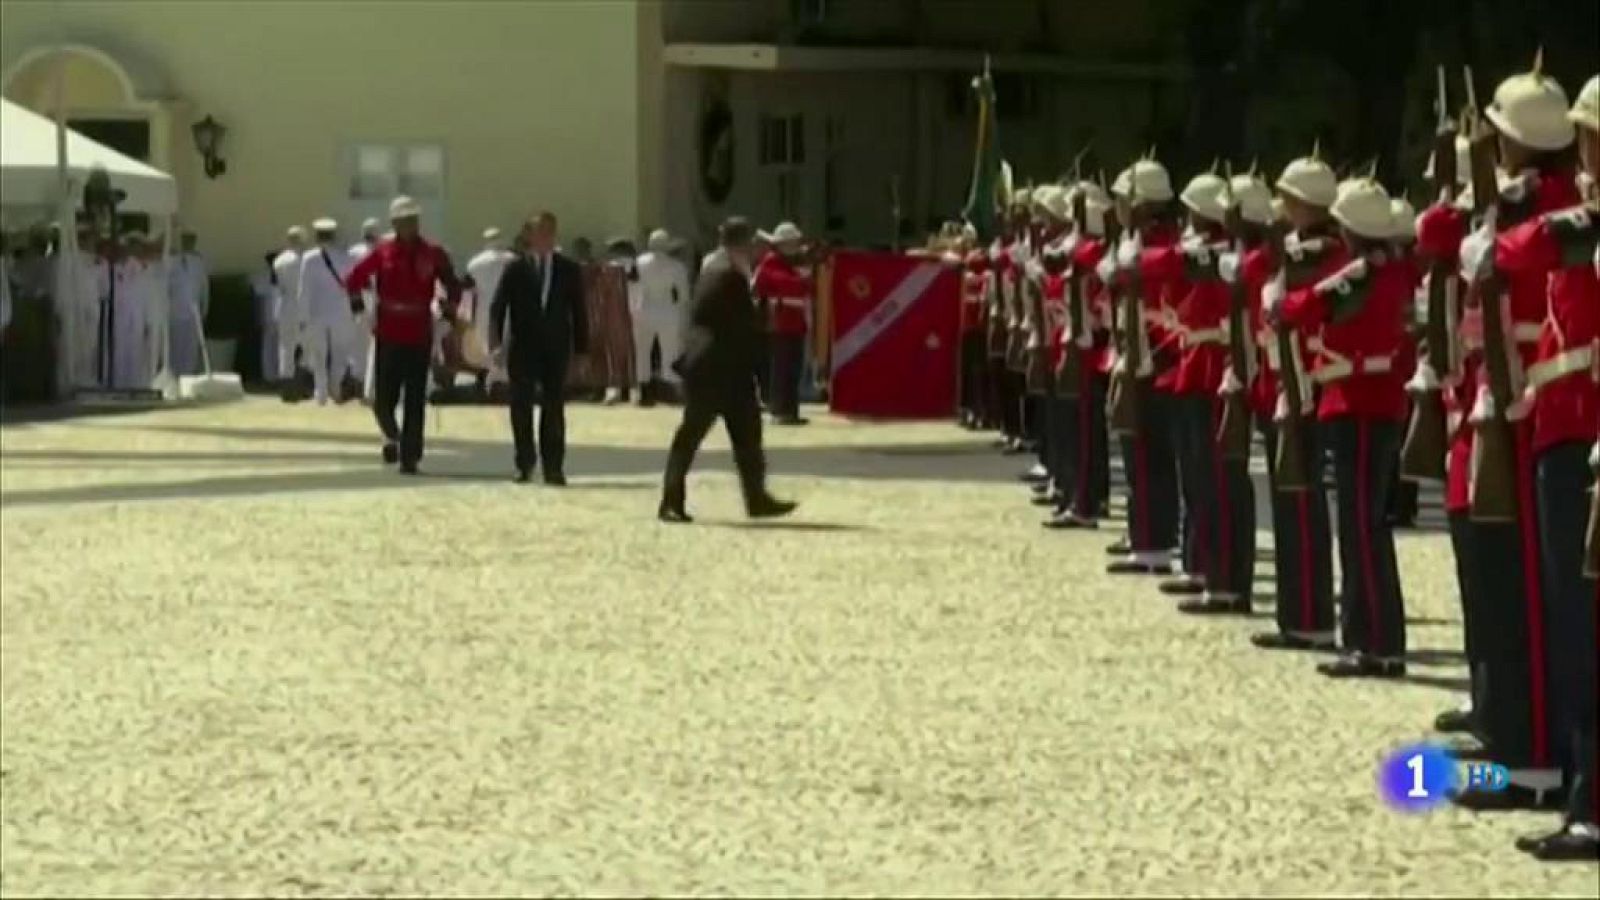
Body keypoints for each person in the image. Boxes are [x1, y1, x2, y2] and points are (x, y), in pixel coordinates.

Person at [1470, 71, 1598, 859]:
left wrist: (1502, 237)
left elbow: (1539, 245)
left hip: (1582, 428)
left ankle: (1590, 801)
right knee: (1570, 626)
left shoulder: (1576, 215)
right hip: (1560, 423)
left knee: (1584, 630)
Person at [1273, 176, 1411, 679]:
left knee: (1360, 529)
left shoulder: (1361, 272)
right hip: (1376, 402)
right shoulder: (1393, 269)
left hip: (1357, 403)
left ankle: (1371, 642)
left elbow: (1304, 306)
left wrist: (1279, 302)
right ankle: (1379, 639)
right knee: (1368, 527)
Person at [1246, 149, 1340, 652]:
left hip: (1307, 387)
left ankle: (1311, 615)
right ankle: (1296, 612)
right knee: (1289, 504)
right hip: (1287, 385)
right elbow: (1246, 273)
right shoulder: (1293, 247)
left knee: (1302, 505)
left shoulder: (1321, 253)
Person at [660, 217, 798, 523]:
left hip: (727, 369)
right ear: (742, 244)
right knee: (691, 436)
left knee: (747, 435)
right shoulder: (727, 276)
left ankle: (757, 497)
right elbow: (741, 326)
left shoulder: (720, 270)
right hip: (715, 368)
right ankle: (671, 500)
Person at [1102, 159, 1182, 576]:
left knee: (1149, 451)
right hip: (1135, 350)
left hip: (1152, 354)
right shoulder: (1136, 239)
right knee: (1137, 451)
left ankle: (1155, 541)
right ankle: (1145, 533)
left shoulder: (1161, 244)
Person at [344, 196, 462, 474]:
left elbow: (453, 284)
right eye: (404, 220)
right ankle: (392, 436)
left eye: (414, 219)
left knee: (415, 398)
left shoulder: (433, 252)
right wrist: (358, 306)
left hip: (419, 332)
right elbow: (353, 279)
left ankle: (411, 455)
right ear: (394, 223)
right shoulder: (382, 252)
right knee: (383, 399)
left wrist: (448, 307)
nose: (410, 225)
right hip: (388, 332)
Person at [489, 211, 588, 485]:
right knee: (521, 405)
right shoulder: (516, 269)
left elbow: (579, 311)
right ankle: (524, 462)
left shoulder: (568, 269)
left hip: (556, 347)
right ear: (529, 236)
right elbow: (497, 308)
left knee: (554, 406)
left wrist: (581, 350)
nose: (545, 237)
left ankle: (554, 466)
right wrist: (496, 343)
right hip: (523, 347)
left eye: (550, 231)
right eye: (540, 231)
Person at [296, 218, 357, 405]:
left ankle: (320, 393)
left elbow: (304, 290)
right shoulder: (346, 257)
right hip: (341, 311)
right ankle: (335, 388)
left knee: (318, 354)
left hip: (317, 312)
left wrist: (302, 316)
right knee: (340, 353)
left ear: (317, 235)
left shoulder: (309, 258)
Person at [635, 228, 690, 406]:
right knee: (670, 352)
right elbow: (683, 296)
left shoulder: (640, 263)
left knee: (642, 353)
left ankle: (644, 392)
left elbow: (635, 289)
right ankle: (671, 392)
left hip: (645, 308)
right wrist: (683, 318)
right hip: (667, 310)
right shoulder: (676, 266)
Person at [465, 227, 514, 395]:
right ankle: (503, 383)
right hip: (507, 309)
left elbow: (468, 288)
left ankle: (489, 384)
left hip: (484, 309)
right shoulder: (513, 261)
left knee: (486, 343)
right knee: (505, 342)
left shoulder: (475, 263)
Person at [348, 217, 382, 400]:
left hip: (362, 301)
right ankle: (366, 386)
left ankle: (361, 383)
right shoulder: (382, 251)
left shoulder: (354, 252)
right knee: (371, 346)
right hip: (371, 300)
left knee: (360, 345)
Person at [167, 231, 209, 377]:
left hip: (193, 311)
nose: (189, 244)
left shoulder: (198, 261)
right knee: (175, 346)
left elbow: (203, 286)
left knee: (191, 347)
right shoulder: (170, 260)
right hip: (174, 310)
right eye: (185, 241)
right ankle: (175, 375)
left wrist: (204, 307)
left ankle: (187, 376)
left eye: (191, 241)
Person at [111, 233, 149, 389]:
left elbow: (145, 295)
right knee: (119, 350)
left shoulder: (142, 268)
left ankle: (135, 385)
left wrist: (147, 319)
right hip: (119, 315)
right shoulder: (113, 268)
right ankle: (119, 385)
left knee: (136, 350)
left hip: (137, 314)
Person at [272, 226, 308, 389]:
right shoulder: (306, 260)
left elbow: (277, 286)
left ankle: (286, 381)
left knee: (286, 346)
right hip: (301, 305)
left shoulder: (279, 260)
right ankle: (301, 380)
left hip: (285, 304)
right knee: (307, 345)